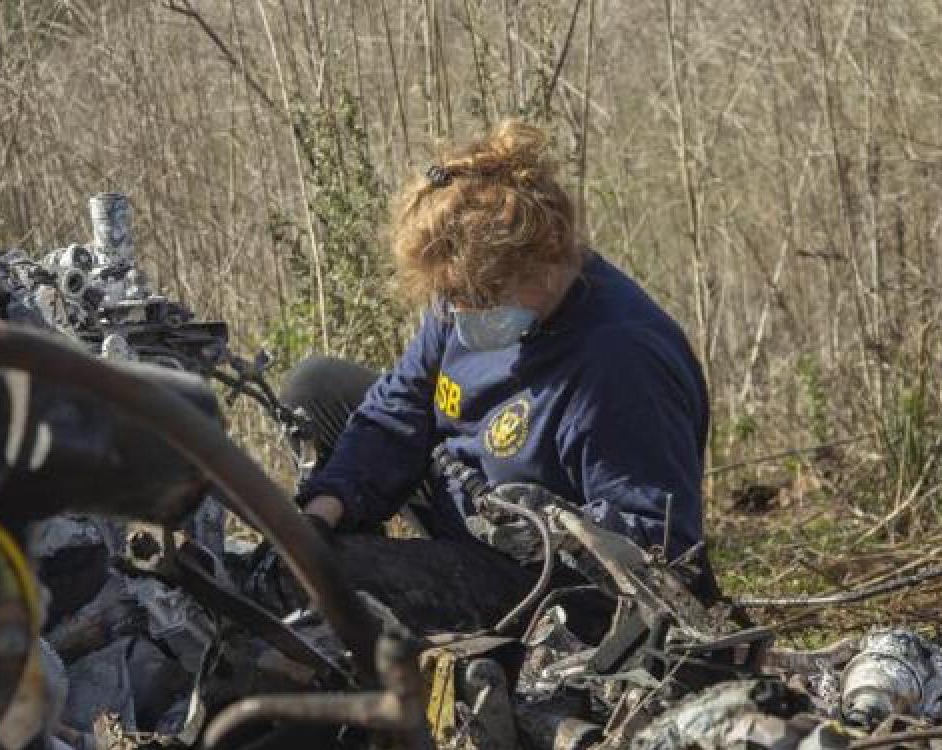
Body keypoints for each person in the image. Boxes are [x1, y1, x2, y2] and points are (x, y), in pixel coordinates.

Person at [282, 119, 710, 571]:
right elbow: (398, 409)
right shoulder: (467, 295)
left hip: (532, 572)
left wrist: (547, 536)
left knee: (353, 577)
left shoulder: (620, 362)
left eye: (481, 297)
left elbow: (658, 541)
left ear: (545, 259)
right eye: (451, 298)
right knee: (318, 387)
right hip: (460, 488)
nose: (461, 313)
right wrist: (327, 506)